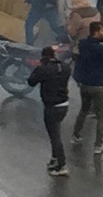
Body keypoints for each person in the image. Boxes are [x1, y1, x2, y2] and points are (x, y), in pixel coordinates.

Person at [71, 21, 103, 155]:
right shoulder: (101, 49)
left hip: (84, 85)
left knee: (84, 110)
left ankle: (76, 135)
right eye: (102, 30)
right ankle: (98, 145)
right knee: (101, 116)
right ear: (96, 32)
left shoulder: (84, 44)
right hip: (98, 86)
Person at [28, 45, 71, 176]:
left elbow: (31, 82)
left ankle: (62, 165)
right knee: (55, 132)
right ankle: (54, 159)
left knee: (55, 137)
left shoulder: (43, 69)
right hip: (64, 105)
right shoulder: (65, 67)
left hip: (51, 107)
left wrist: (38, 68)